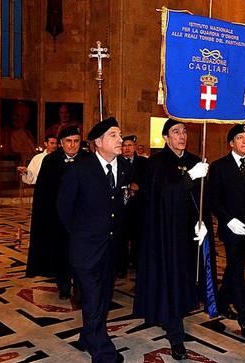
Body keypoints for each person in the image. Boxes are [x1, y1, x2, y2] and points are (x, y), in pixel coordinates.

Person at [133, 119, 211, 359]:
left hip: (189, 233)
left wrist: (204, 222)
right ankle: (175, 334)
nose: (182, 136)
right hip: (165, 236)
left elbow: (202, 198)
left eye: (184, 131)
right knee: (170, 282)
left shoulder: (194, 161)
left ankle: (176, 317)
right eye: (176, 132)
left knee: (187, 281)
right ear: (166, 138)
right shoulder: (156, 164)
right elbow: (164, 196)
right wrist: (189, 178)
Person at [56, 118, 130, 363]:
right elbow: (64, 208)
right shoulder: (79, 169)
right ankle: (102, 349)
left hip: (111, 248)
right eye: (113, 135)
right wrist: (81, 235)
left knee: (103, 295)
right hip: (86, 248)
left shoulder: (125, 168)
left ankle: (87, 336)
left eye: (119, 135)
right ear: (98, 143)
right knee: (93, 296)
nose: (120, 140)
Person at [207, 124, 245, 336]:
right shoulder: (219, 166)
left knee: (235, 267)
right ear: (231, 143)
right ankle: (244, 316)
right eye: (240, 138)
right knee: (237, 269)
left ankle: (222, 301)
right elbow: (214, 198)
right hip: (231, 229)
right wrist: (228, 219)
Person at [26, 126, 83, 300]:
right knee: (61, 255)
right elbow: (44, 193)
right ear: (60, 143)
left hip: (82, 219)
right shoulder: (51, 161)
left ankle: (80, 289)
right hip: (58, 220)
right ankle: (64, 285)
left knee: (81, 255)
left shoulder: (88, 160)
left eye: (76, 141)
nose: (73, 146)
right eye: (68, 141)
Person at [119, 135, 148, 275]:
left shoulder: (143, 163)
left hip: (139, 207)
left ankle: (137, 262)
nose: (127, 149)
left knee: (138, 236)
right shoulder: (116, 162)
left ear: (135, 147)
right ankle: (121, 266)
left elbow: (149, 181)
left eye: (129, 146)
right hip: (122, 207)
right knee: (121, 238)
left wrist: (139, 187)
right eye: (124, 146)